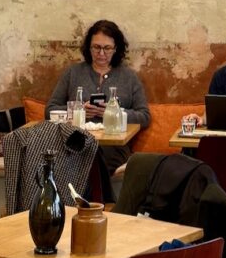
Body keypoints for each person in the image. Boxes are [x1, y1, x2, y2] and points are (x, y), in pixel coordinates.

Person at [46, 19, 151, 173]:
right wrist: (78, 111)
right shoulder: (73, 73)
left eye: (107, 48)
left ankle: (91, 196)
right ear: (89, 48)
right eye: (96, 47)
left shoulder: (128, 77)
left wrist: (114, 113)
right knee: (67, 158)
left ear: (116, 49)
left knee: (96, 158)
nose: (101, 53)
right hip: (76, 141)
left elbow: (144, 117)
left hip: (113, 146)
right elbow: (50, 110)